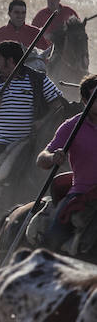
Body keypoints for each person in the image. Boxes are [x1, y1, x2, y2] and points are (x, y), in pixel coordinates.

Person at [0, 40, 63, 165]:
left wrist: (43, 121)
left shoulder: (38, 80)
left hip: (29, 141)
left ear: (10, 61)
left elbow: (59, 105)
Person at [38, 74, 97, 250]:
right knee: (54, 238)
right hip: (82, 194)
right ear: (85, 101)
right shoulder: (72, 126)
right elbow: (42, 158)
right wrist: (53, 157)